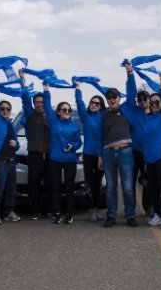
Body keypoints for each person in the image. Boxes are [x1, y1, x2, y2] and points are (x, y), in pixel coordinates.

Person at [131, 74, 161, 230]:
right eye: (152, 102)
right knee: (152, 188)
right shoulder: (148, 118)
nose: (154, 104)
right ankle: (158, 214)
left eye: (157, 102)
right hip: (149, 159)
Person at [101, 76, 139, 227]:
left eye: (114, 97)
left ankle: (130, 216)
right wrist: (99, 156)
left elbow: (132, 91)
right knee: (111, 187)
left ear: (119, 98)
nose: (111, 99)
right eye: (108, 97)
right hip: (108, 153)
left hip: (125, 152)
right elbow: (100, 136)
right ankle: (111, 215)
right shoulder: (103, 115)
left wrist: (130, 73)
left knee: (128, 187)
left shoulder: (126, 109)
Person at [43, 84, 83, 224]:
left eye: (68, 110)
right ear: (58, 112)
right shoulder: (53, 121)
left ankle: (69, 214)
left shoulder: (74, 126)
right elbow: (47, 105)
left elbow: (79, 142)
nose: (67, 111)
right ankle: (57, 213)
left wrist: (73, 146)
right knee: (56, 187)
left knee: (69, 188)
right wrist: (46, 90)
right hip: (55, 159)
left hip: (70, 160)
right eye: (64, 110)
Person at [19, 69, 52, 219]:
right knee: (34, 183)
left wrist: (46, 88)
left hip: (50, 154)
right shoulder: (30, 115)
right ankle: (35, 210)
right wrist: (22, 80)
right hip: (34, 154)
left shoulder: (51, 116)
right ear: (33, 104)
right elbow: (25, 98)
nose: (39, 104)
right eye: (36, 102)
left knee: (50, 182)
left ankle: (50, 209)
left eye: (41, 102)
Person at [0, 86, 21, 225]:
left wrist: (16, 145)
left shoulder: (11, 124)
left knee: (11, 190)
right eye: (2, 109)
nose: (5, 111)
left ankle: (8, 212)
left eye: (8, 109)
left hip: (11, 161)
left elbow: (16, 143)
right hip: (0, 161)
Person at [75, 85, 105, 221]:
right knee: (89, 183)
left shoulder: (104, 117)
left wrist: (100, 156)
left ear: (101, 106)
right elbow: (79, 103)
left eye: (97, 103)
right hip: (87, 154)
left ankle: (96, 208)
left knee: (97, 183)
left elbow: (102, 138)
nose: (93, 105)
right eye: (92, 102)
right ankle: (91, 209)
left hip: (101, 155)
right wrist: (78, 88)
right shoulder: (85, 117)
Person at [130, 89, 153, 217]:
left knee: (147, 181)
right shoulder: (134, 112)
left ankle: (148, 207)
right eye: (140, 100)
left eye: (145, 99)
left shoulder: (155, 114)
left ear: (149, 100)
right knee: (130, 181)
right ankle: (131, 208)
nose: (142, 101)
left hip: (148, 153)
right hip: (134, 152)